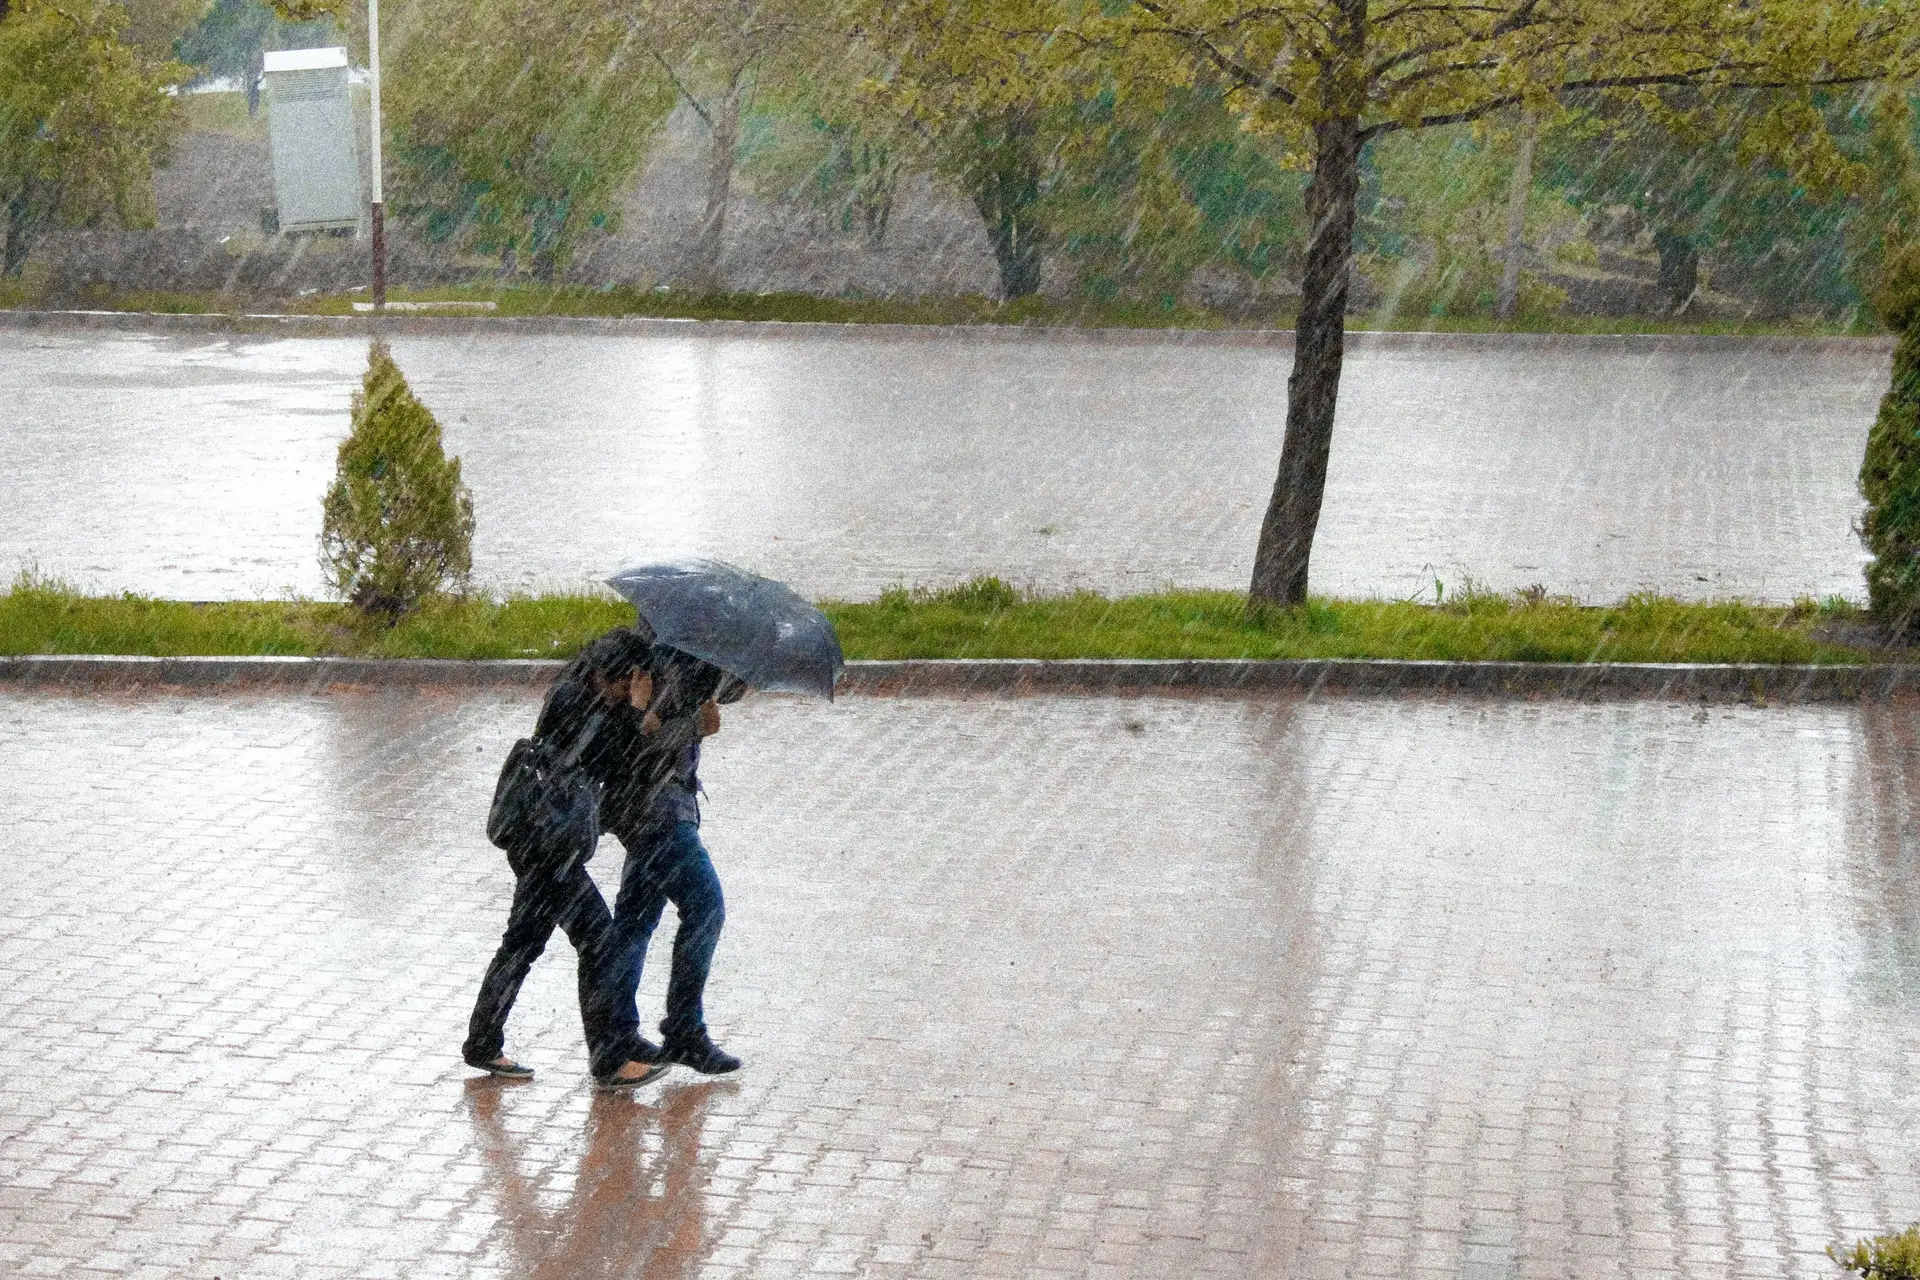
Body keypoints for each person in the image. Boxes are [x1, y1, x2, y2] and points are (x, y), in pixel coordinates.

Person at [463, 629, 665, 1089]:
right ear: (617, 675)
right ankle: (609, 1059)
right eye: (632, 681)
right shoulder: (578, 701)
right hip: (548, 847)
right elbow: (612, 759)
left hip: (541, 842)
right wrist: (636, 715)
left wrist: (633, 716)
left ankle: (483, 1041)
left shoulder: (581, 693)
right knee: (597, 940)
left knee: (524, 942)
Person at [595, 645, 745, 1077]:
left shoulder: (692, 653)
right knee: (705, 906)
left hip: (655, 808)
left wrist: (741, 674)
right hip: (656, 812)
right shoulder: (665, 660)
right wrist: (693, 726)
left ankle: (617, 1034)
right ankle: (682, 1029)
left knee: (635, 921)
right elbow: (640, 745)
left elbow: (722, 691)